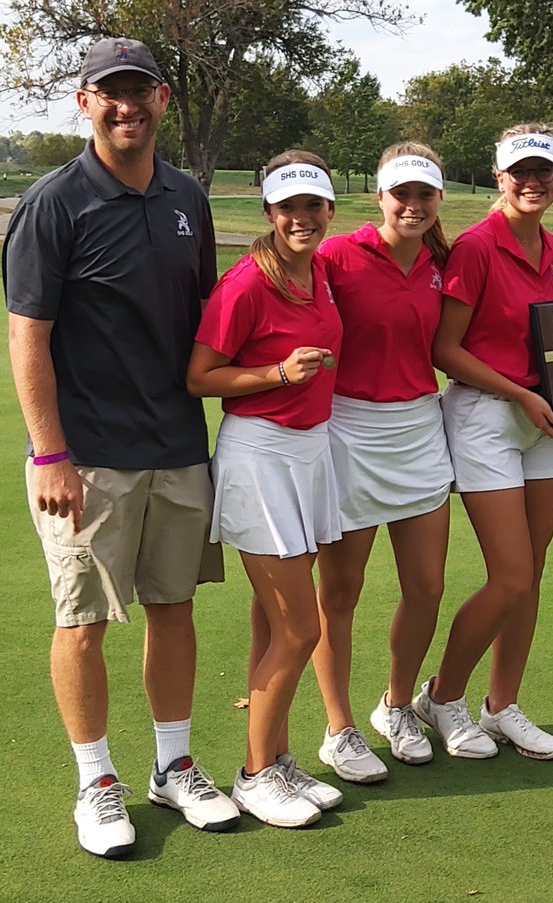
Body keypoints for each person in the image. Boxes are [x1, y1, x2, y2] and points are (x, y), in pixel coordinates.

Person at [3, 36, 238, 859]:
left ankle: (173, 765)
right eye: (111, 92)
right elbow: (28, 336)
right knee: (84, 620)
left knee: (174, 608)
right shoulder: (54, 201)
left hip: (177, 443)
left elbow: (207, 317)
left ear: (163, 99)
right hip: (89, 456)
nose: (126, 105)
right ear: (85, 102)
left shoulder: (187, 196)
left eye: (140, 91)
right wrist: (49, 453)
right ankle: (95, 780)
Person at [187, 151, 345, 827]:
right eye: (288, 208)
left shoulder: (322, 273)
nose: (301, 219)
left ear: (330, 210)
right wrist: (278, 373)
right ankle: (254, 775)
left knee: (273, 622)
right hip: (260, 456)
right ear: (269, 213)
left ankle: (275, 757)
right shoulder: (247, 283)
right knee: (301, 627)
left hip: (309, 453)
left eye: (313, 206)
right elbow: (200, 376)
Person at [416, 123, 553, 760]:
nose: (532, 182)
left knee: (531, 573)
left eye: (543, 172)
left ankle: (502, 706)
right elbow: (446, 349)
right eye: (520, 172)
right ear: (499, 178)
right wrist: (522, 394)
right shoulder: (477, 248)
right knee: (510, 575)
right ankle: (442, 696)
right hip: (486, 415)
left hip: (542, 418)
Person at [309, 143, 454, 782]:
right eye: (402, 194)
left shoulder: (441, 262)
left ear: (439, 199)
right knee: (341, 589)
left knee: (426, 586)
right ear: (380, 197)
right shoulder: (337, 256)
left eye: (425, 194)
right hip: (350, 430)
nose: (413, 206)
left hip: (419, 428)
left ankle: (396, 706)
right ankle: (338, 728)